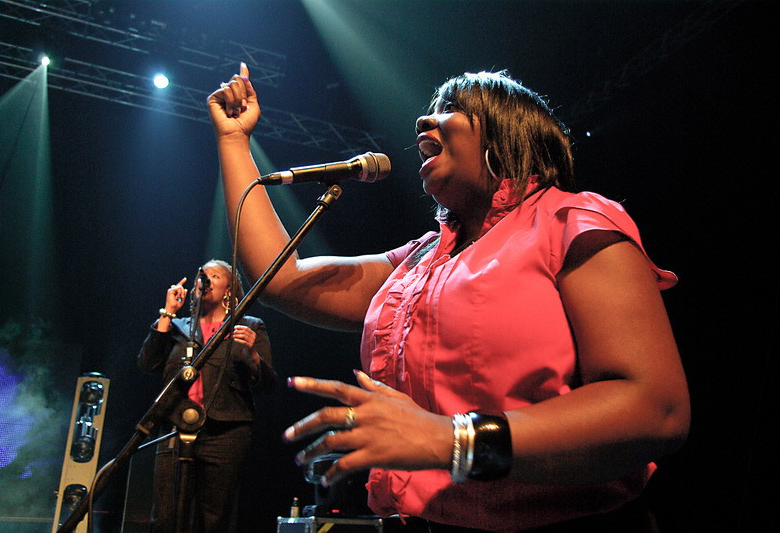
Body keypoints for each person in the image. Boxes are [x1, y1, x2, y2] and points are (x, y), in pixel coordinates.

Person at [207, 64, 690, 532]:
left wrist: (453, 439)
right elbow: (281, 279)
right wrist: (234, 141)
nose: (423, 120)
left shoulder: (571, 220)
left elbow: (655, 408)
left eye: (453, 107)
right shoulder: (419, 258)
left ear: (507, 132)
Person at [137, 259, 275, 532]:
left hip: (226, 432)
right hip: (175, 427)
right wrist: (168, 313)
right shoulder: (179, 328)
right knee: (167, 516)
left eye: (214, 275)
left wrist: (252, 356)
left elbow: (268, 385)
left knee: (215, 517)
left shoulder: (249, 326)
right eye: (203, 275)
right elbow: (147, 363)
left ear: (229, 289)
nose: (205, 280)